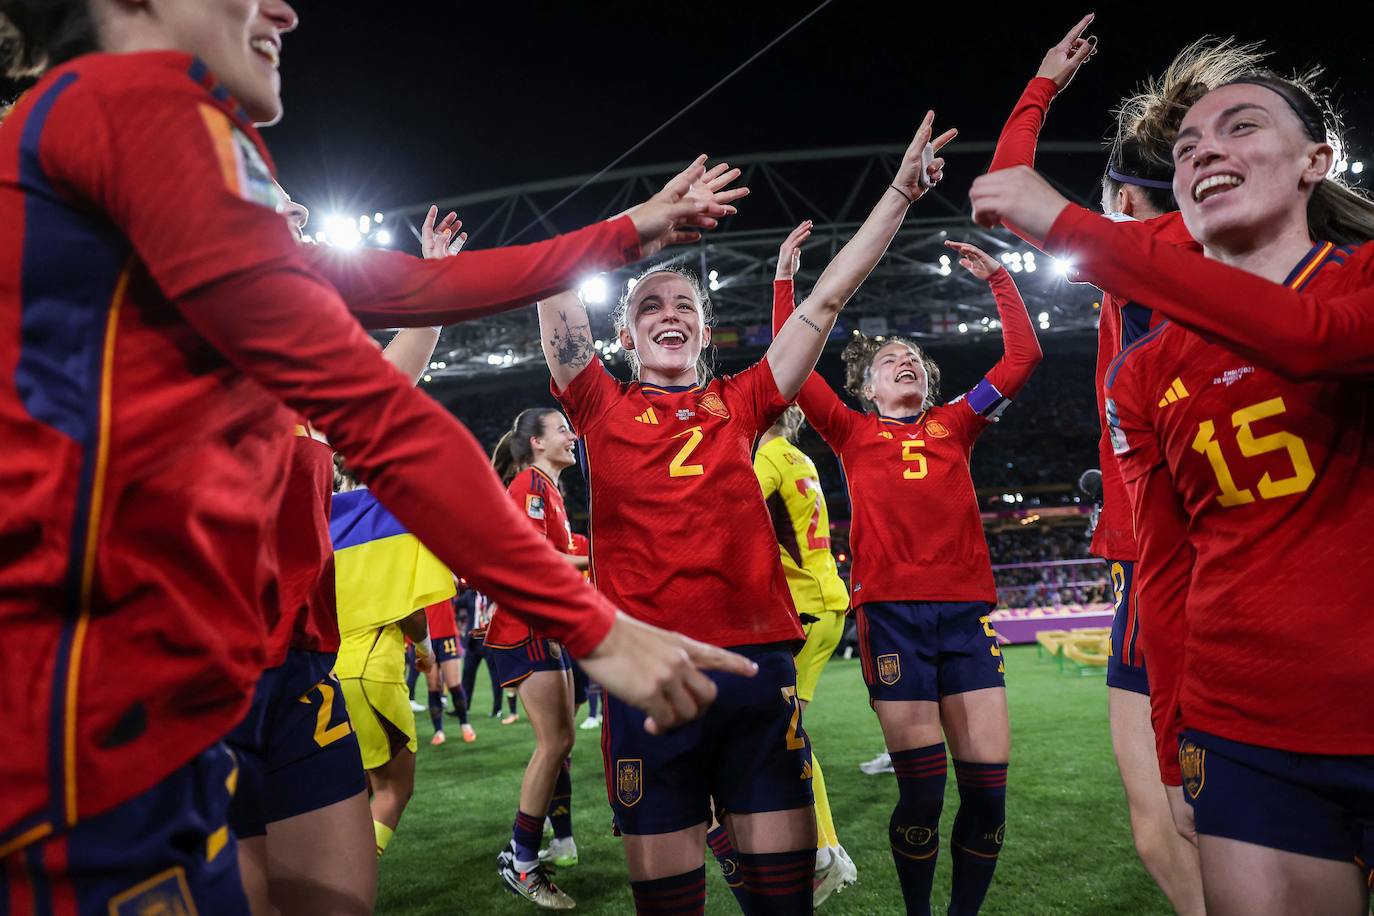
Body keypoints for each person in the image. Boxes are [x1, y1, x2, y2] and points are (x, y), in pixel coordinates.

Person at [0, 2, 759, 907]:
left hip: (223, 669)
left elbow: (419, 285)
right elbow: (382, 416)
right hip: (87, 701)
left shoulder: (93, 134)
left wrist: (627, 230)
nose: (282, 6)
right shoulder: (133, 105)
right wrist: (591, 622)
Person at [969, 63, 1374, 916]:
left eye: (1241, 128)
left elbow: (1315, 341)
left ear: (1317, 161)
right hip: (1245, 727)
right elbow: (1162, 564)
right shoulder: (1144, 371)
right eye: (1188, 145)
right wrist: (1174, 753)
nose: (1205, 151)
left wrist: (1059, 199)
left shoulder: (1360, 281)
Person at [539, 115, 954, 914]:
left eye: (685, 304)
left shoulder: (745, 400)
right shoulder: (594, 401)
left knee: (782, 903)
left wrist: (901, 191)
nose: (670, 312)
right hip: (648, 673)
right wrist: (635, 233)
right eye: (652, 304)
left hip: (758, 668)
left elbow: (828, 298)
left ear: (702, 327)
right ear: (623, 336)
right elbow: (552, 282)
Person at [985, 21, 1267, 913]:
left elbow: (1003, 191)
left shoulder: (1144, 263)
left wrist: (1039, 85)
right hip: (1256, 547)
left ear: (1128, 202)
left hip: (1170, 562)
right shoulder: (1256, 268)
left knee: (1167, 819)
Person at [773, 237, 1041, 915]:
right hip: (891, 618)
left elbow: (1022, 358)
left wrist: (1000, 279)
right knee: (921, 793)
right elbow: (793, 365)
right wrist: (786, 283)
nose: (906, 364)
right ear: (866, 390)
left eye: (915, 361)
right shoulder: (850, 432)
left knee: (988, 796)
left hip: (964, 619)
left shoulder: (959, 422)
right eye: (892, 362)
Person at [753, 398, 858, 908]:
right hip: (825, 602)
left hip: (803, 610)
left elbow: (737, 515)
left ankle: (824, 851)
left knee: (786, 738)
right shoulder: (800, 457)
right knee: (788, 735)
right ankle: (824, 847)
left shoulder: (767, 457)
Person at [486, 408, 588, 907]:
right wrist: (599, 555)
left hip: (547, 627)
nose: (573, 436)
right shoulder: (528, 481)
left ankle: (559, 840)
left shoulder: (549, 488)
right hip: (524, 627)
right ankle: (521, 860)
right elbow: (530, 555)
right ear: (537, 443)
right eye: (563, 429)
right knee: (555, 741)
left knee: (562, 741)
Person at [331, 464, 454, 858]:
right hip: (372, 672)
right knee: (394, 789)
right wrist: (425, 651)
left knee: (354, 789)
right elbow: (410, 611)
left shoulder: (321, 511)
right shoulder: (389, 511)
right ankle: (346, 887)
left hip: (326, 673)